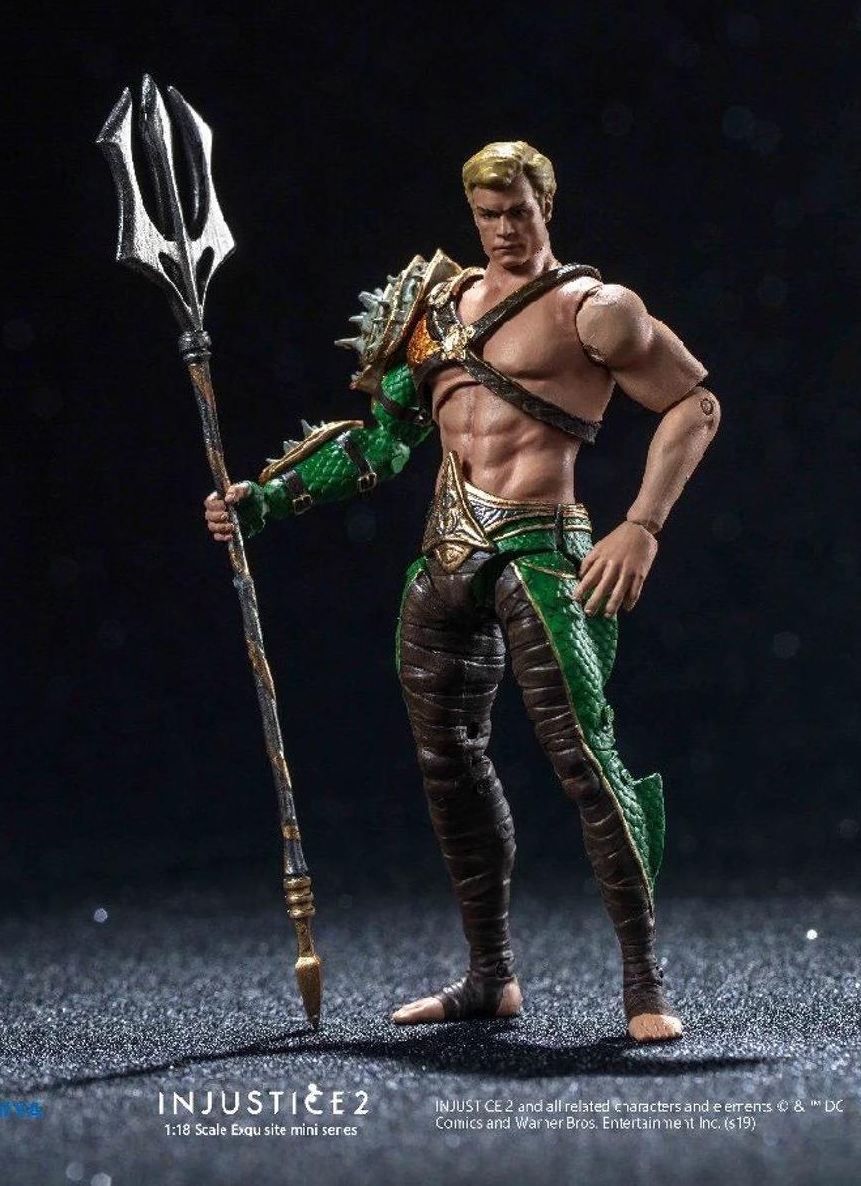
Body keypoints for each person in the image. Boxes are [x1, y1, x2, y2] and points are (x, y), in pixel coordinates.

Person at [205, 140, 720, 1042]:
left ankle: (645, 982)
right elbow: (383, 444)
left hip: (544, 554)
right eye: (489, 215)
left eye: (518, 211)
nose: (505, 229)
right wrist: (266, 500)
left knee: (586, 760)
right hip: (444, 558)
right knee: (448, 767)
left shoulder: (595, 312)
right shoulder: (433, 309)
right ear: (471, 216)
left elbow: (695, 404)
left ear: (546, 204)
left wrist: (641, 524)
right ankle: (490, 977)